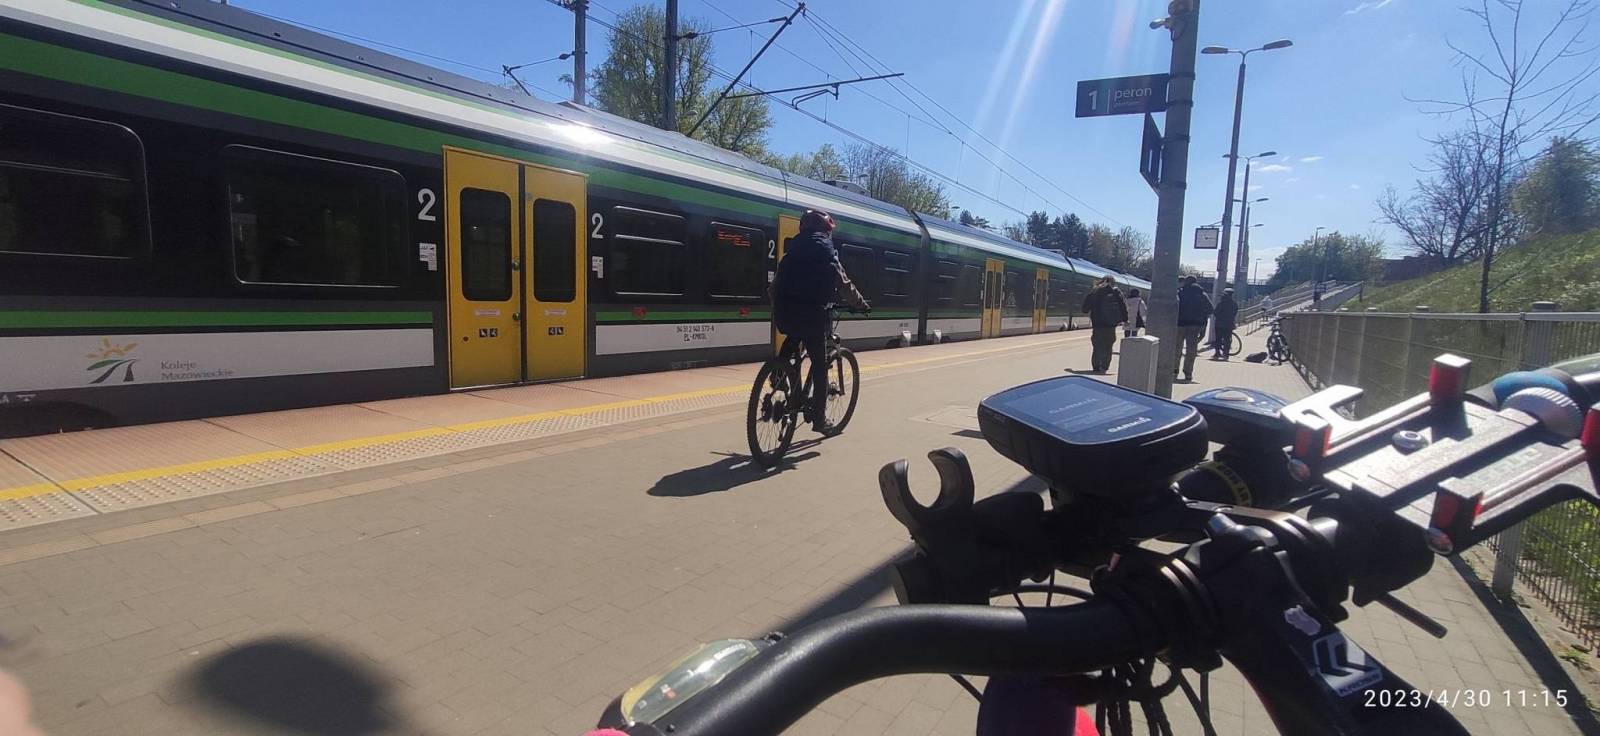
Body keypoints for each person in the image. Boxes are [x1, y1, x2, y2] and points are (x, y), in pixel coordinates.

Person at [771, 210, 869, 433]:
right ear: (826, 231)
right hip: (813, 316)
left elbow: (774, 287)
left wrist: (778, 307)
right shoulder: (827, 253)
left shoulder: (791, 253)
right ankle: (819, 419)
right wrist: (861, 305)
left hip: (786, 313)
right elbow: (845, 285)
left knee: (792, 338)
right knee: (819, 365)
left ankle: (778, 374)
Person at [1080, 276, 1126, 374]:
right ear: (1113, 283)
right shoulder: (1117, 292)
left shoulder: (1094, 292)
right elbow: (1123, 307)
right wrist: (1125, 320)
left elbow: (1085, 309)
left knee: (1097, 346)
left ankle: (1096, 366)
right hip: (1111, 325)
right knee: (1108, 346)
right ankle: (1104, 367)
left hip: (1097, 325)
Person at [1174, 275, 1212, 382]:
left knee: (1177, 349)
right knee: (1191, 350)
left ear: (1185, 282)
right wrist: (1201, 317)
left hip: (1180, 324)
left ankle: (1174, 371)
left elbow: (1173, 307)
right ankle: (1188, 373)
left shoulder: (1179, 293)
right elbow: (1210, 309)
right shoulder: (1202, 295)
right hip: (1194, 326)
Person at [1212, 288, 1239, 360]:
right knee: (1227, 339)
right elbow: (1235, 313)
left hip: (1219, 324)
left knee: (1218, 339)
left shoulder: (1221, 303)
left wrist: (1219, 316)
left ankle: (1217, 353)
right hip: (1229, 324)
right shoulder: (1234, 304)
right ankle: (1226, 355)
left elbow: (1215, 313)